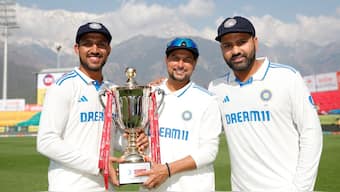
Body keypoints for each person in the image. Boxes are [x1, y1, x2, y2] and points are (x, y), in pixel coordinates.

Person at [208, 16, 323, 191]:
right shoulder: (216, 88)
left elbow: (311, 133)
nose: (235, 50)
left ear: (255, 42)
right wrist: (165, 87)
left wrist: (301, 188)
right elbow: (199, 127)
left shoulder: (287, 77)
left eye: (242, 42)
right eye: (227, 45)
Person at [37, 22, 147, 191]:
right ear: (76, 49)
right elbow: (46, 142)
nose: (94, 49)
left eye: (101, 44)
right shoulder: (63, 87)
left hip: (106, 187)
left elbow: (113, 138)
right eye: (87, 43)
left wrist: (132, 143)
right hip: (71, 187)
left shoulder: (113, 90)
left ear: (108, 50)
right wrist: (99, 164)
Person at [136, 37, 222, 191]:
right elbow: (134, 133)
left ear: (195, 63)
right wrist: (137, 139)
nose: (180, 65)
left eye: (187, 60)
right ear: (166, 60)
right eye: (175, 59)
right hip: (153, 187)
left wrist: (167, 170)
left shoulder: (207, 100)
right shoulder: (148, 94)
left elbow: (209, 152)